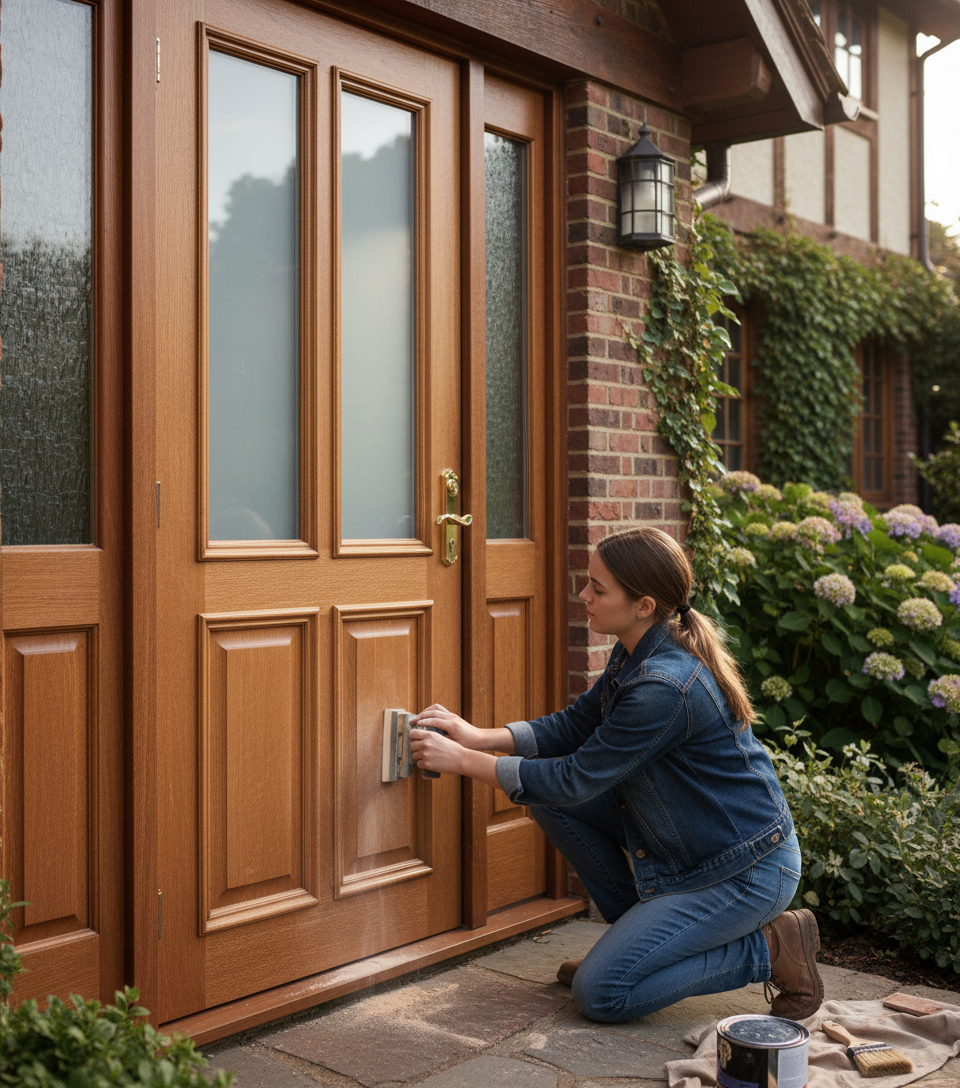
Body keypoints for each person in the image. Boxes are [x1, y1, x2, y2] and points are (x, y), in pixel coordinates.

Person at [409, 526, 823, 1025]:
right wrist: (476, 736)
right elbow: (573, 726)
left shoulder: (666, 684)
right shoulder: (637, 650)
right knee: (543, 794)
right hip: (689, 845)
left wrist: (460, 762)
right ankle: (634, 945)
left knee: (602, 994)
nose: (583, 595)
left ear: (644, 604)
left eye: (598, 589)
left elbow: (574, 779)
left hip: (741, 870)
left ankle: (774, 948)